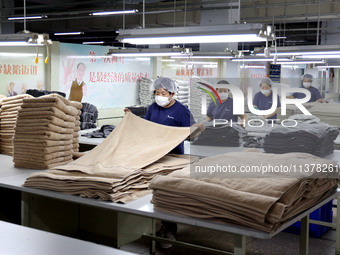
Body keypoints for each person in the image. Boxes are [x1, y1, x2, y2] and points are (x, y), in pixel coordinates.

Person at [125, 77, 198, 248]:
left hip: (173, 158)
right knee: (152, 191)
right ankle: (154, 226)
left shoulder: (181, 111)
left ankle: (169, 231)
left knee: (168, 195)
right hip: (155, 155)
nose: (160, 96)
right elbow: (148, 126)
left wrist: (193, 131)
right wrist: (131, 117)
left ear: (172, 94)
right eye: (157, 93)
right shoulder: (153, 108)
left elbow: (192, 133)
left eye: (163, 93)